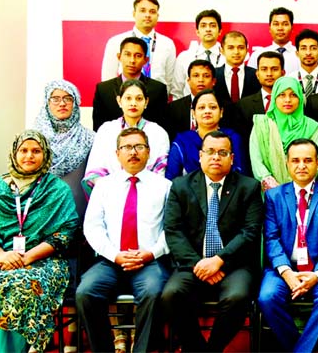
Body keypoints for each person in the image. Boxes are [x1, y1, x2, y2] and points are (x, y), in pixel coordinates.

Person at [0, 130, 78, 353]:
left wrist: (27, 257)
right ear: (14, 154)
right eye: (24, 150)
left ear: (45, 154)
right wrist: (1, 255)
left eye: (36, 151)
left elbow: (65, 233)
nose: (29, 156)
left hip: (42, 259)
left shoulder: (57, 190)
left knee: (19, 286)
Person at [161, 131, 263, 352]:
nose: (216, 157)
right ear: (200, 156)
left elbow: (250, 232)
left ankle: (213, 348)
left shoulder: (249, 187)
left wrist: (219, 260)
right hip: (193, 263)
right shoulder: (181, 186)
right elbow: (173, 230)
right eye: (210, 152)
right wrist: (200, 264)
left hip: (233, 264)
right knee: (171, 295)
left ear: (232, 158)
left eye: (222, 152)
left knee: (237, 297)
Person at [76, 128, 172, 353]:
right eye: (127, 147)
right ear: (117, 153)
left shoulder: (164, 186)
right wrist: (115, 255)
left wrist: (151, 253)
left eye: (139, 147)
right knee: (85, 293)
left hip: (149, 261)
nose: (133, 152)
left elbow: (171, 229)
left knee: (154, 292)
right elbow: (93, 226)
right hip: (112, 260)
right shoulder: (104, 185)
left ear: (148, 152)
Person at [258, 139, 318, 352]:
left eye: (308, 160)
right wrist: (287, 273)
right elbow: (271, 238)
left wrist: (317, 274)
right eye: (295, 160)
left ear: (317, 163)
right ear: (287, 164)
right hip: (284, 268)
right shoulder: (273, 196)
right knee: (267, 297)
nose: (301, 165)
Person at [83, 79, 170, 195]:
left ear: (146, 102)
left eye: (139, 98)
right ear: (119, 101)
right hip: (111, 196)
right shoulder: (106, 130)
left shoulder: (158, 132)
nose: (133, 103)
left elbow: (160, 174)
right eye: (128, 98)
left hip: (149, 196)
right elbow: (95, 172)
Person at [33, 79, 94, 218]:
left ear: (75, 103)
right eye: (55, 99)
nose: (62, 103)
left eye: (68, 98)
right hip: (41, 211)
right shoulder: (34, 138)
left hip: (78, 211)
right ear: (47, 103)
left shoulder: (89, 138)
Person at [251, 77, 318, 191]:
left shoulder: (311, 127)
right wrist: (273, 186)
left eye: (293, 95)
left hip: (303, 192)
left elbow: (315, 163)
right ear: (274, 97)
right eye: (282, 95)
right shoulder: (261, 125)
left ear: (300, 98)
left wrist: (295, 188)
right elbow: (256, 160)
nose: (287, 100)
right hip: (269, 193)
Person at [100, 0, 177, 92]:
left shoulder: (167, 44)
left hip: (157, 100)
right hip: (125, 100)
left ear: (157, 16)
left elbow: (169, 81)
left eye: (152, 12)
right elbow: (108, 78)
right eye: (143, 10)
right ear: (134, 13)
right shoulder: (116, 41)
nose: (147, 15)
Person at [93, 37, 169, 131]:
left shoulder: (158, 89)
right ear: (119, 57)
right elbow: (98, 129)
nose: (132, 60)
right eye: (127, 54)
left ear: (146, 60)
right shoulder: (103, 89)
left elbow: (162, 127)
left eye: (138, 55)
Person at [166, 89, 246, 180]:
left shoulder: (233, 138)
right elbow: (171, 179)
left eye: (213, 107)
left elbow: (242, 175)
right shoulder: (182, 141)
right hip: (190, 193)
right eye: (201, 108)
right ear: (193, 113)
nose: (207, 111)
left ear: (221, 112)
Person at [171, 9, 224, 99]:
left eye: (212, 26)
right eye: (203, 26)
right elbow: (177, 91)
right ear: (197, 32)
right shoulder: (184, 57)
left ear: (220, 31)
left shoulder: (227, 58)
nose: (208, 29)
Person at [235, 51, 285, 138]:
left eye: (274, 69)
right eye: (264, 69)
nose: (269, 74)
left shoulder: (292, 102)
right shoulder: (244, 105)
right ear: (257, 74)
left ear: (283, 73)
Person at [164, 59, 216, 141]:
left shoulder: (225, 107)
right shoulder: (173, 108)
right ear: (188, 81)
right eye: (196, 76)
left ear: (213, 81)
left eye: (206, 76)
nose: (201, 80)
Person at [213, 31, 261, 104]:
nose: (236, 52)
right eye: (231, 48)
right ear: (221, 50)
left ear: (247, 50)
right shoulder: (213, 75)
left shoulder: (257, 75)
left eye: (241, 48)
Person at [248, 7, 300, 72]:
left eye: (285, 24)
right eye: (276, 24)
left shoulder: (301, 55)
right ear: (269, 28)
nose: (280, 28)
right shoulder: (257, 54)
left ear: (292, 28)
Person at [292, 29, 318, 98]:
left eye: (313, 48)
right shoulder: (290, 80)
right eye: (303, 48)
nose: (308, 53)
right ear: (297, 53)